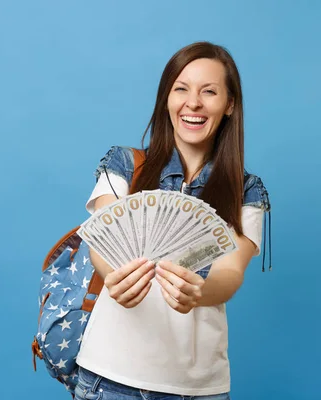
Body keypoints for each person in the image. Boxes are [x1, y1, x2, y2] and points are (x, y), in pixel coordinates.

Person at [74, 41, 271, 400]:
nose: (192, 103)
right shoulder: (124, 164)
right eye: (181, 89)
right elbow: (102, 243)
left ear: (229, 105)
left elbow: (230, 273)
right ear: (167, 98)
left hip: (198, 387)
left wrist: (197, 293)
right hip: (110, 377)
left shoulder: (247, 190)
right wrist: (113, 275)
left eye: (209, 92)